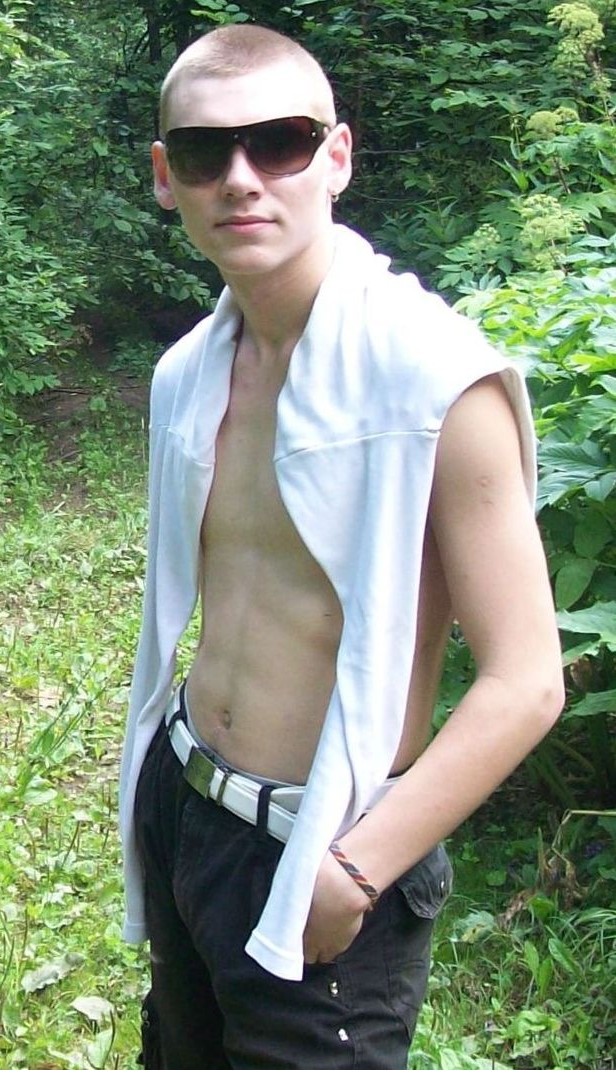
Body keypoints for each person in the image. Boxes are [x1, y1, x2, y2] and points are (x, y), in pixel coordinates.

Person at [119, 22, 565, 1070]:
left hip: (325, 846)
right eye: (204, 152)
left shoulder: (434, 381)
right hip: (186, 800)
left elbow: (525, 680)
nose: (241, 178)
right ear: (165, 177)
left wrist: (356, 868)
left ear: (336, 157)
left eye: (279, 141)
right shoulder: (189, 372)